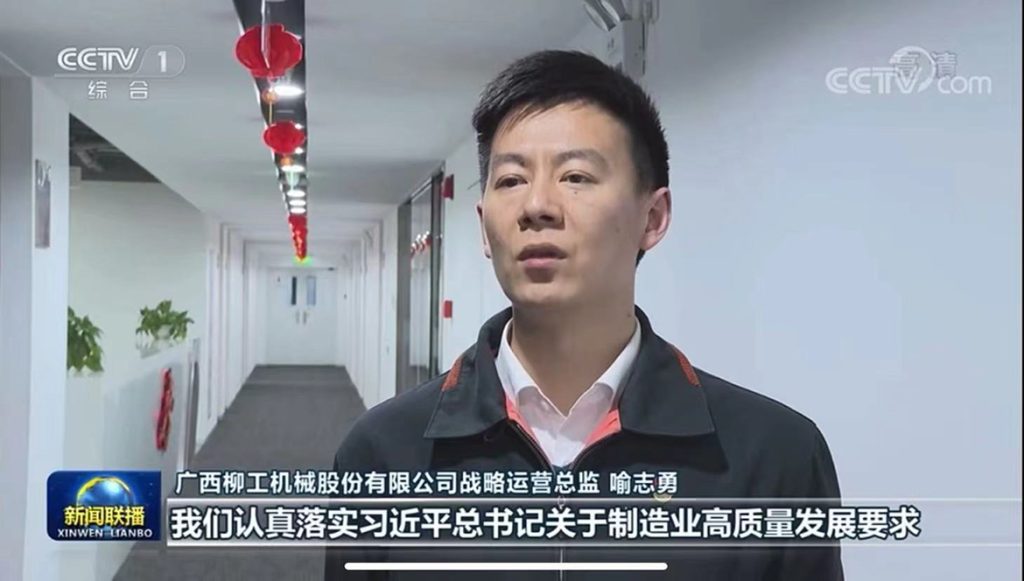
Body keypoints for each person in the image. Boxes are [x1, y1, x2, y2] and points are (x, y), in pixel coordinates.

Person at [325, 49, 843, 580]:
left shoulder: (773, 456)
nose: (537, 206)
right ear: (484, 226)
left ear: (653, 217)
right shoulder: (384, 452)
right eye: (511, 180)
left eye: (575, 176)